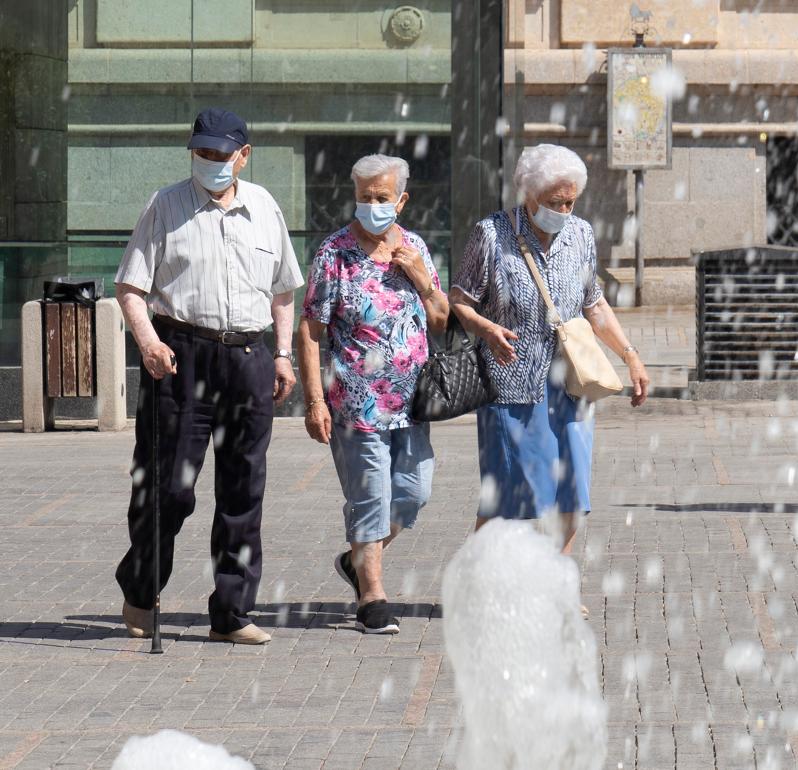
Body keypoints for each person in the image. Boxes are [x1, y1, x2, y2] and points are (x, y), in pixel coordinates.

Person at [113, 108, 304, 645]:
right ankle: (141, 585)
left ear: (244, 156)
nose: (212, 163)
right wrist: (148, 342)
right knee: (168, 486)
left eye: (223, 155)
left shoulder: (264, 206)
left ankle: (232, 611)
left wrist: (283, 354)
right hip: (181, 354)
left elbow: (284, 289)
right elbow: (131, 287)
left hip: (248, 356)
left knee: (244, 487)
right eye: (204, 153)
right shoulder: (165, 205)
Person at [450, 143, 650, 556]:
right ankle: (476, 578)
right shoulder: (491, 234)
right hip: (510, 387)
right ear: (528, 193)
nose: (562, 210)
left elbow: (593, 302)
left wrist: (630, 355)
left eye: (570, 200)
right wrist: (487, 329)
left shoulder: (580, 233)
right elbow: (459, 301)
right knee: (511, 497)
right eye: (553, 201)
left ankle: (555, 582)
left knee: (571, 494)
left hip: (572, 384)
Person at [297, 154, 449, 634]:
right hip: (356, 403)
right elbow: (311, 330)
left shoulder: (416, 247)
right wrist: (314, 399)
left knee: (413, 492)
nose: (373, 206)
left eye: (382, 198)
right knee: (371, 498)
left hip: (413, 402)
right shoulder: (334, 253)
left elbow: (443, 319)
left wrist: (422, 279)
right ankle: (372, 595)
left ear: (401, 200)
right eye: (365, 197)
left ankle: (360, 558)